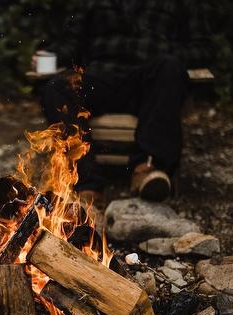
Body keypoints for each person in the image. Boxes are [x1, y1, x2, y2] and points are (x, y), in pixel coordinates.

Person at [39, 0, 212, 202]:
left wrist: (167, 53)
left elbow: (203, 49)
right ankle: (86, 181)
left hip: (149, 83)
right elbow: (71, 44)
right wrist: (48, 55)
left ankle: (147, 169)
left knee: (169, 67)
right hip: (101, 79)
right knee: (56, 88)